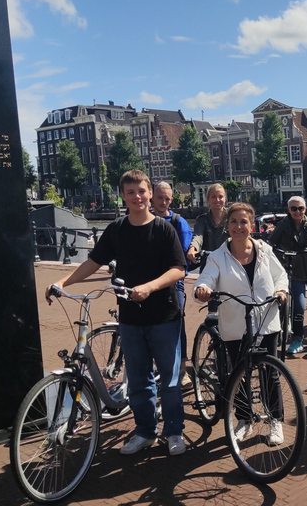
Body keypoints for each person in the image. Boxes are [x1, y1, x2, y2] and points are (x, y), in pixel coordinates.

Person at [45, 170, 188, 456]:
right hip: (131, 319)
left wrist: (150, 286)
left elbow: (178, 269)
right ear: (123, 196)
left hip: (163, 316)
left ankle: (174, 431)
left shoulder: (163, 229)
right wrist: (63, 281)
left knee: (170, 381)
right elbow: (94, 262)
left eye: (142, 191)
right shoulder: (117, 230)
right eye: (131, 192)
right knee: (137, 380)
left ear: (150, 194)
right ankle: (146, 431)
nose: (137, 197)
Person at [193, 203, 288, 443]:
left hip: (266, 318)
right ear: (227, 225)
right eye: (234, 221)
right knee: (239, 373)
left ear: (252, 225)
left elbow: (281, 276)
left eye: (244, 222)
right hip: (235, 323)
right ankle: (245, 420)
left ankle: (274, 420)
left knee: (270, 373)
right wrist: (203, 288)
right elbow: (206, 278)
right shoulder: (217, 257)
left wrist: (281, 290)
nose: (239, 226)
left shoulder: (264, 250)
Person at [268, 196, 307, 352]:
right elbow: (271, 243)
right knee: (299, 305)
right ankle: (297, 338)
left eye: (300, 208)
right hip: (295, 271)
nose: (297, 211)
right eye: (294, 208)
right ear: (289, 210)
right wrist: (278, 257)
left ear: (305, 209)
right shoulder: (283, 226)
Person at [152, 182, 193, 390]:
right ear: (153, 197)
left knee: (177, 325)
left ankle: (182, 370)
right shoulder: (145, 219)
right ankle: (158, 369)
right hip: (148, 281)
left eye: (167, 198)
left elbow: (182, 251)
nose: (164, 202)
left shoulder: (179, 222)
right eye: (160, 198)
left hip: (173, 282)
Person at [187, 183, 228, 270]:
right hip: (209, 265)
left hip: (228, 264)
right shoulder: (202, 220)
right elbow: (198, 236)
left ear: (225, 199)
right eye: (213, 197)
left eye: (220, 197)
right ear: (208, 199)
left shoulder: (232, 218)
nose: (217, 200)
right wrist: (193, 249)